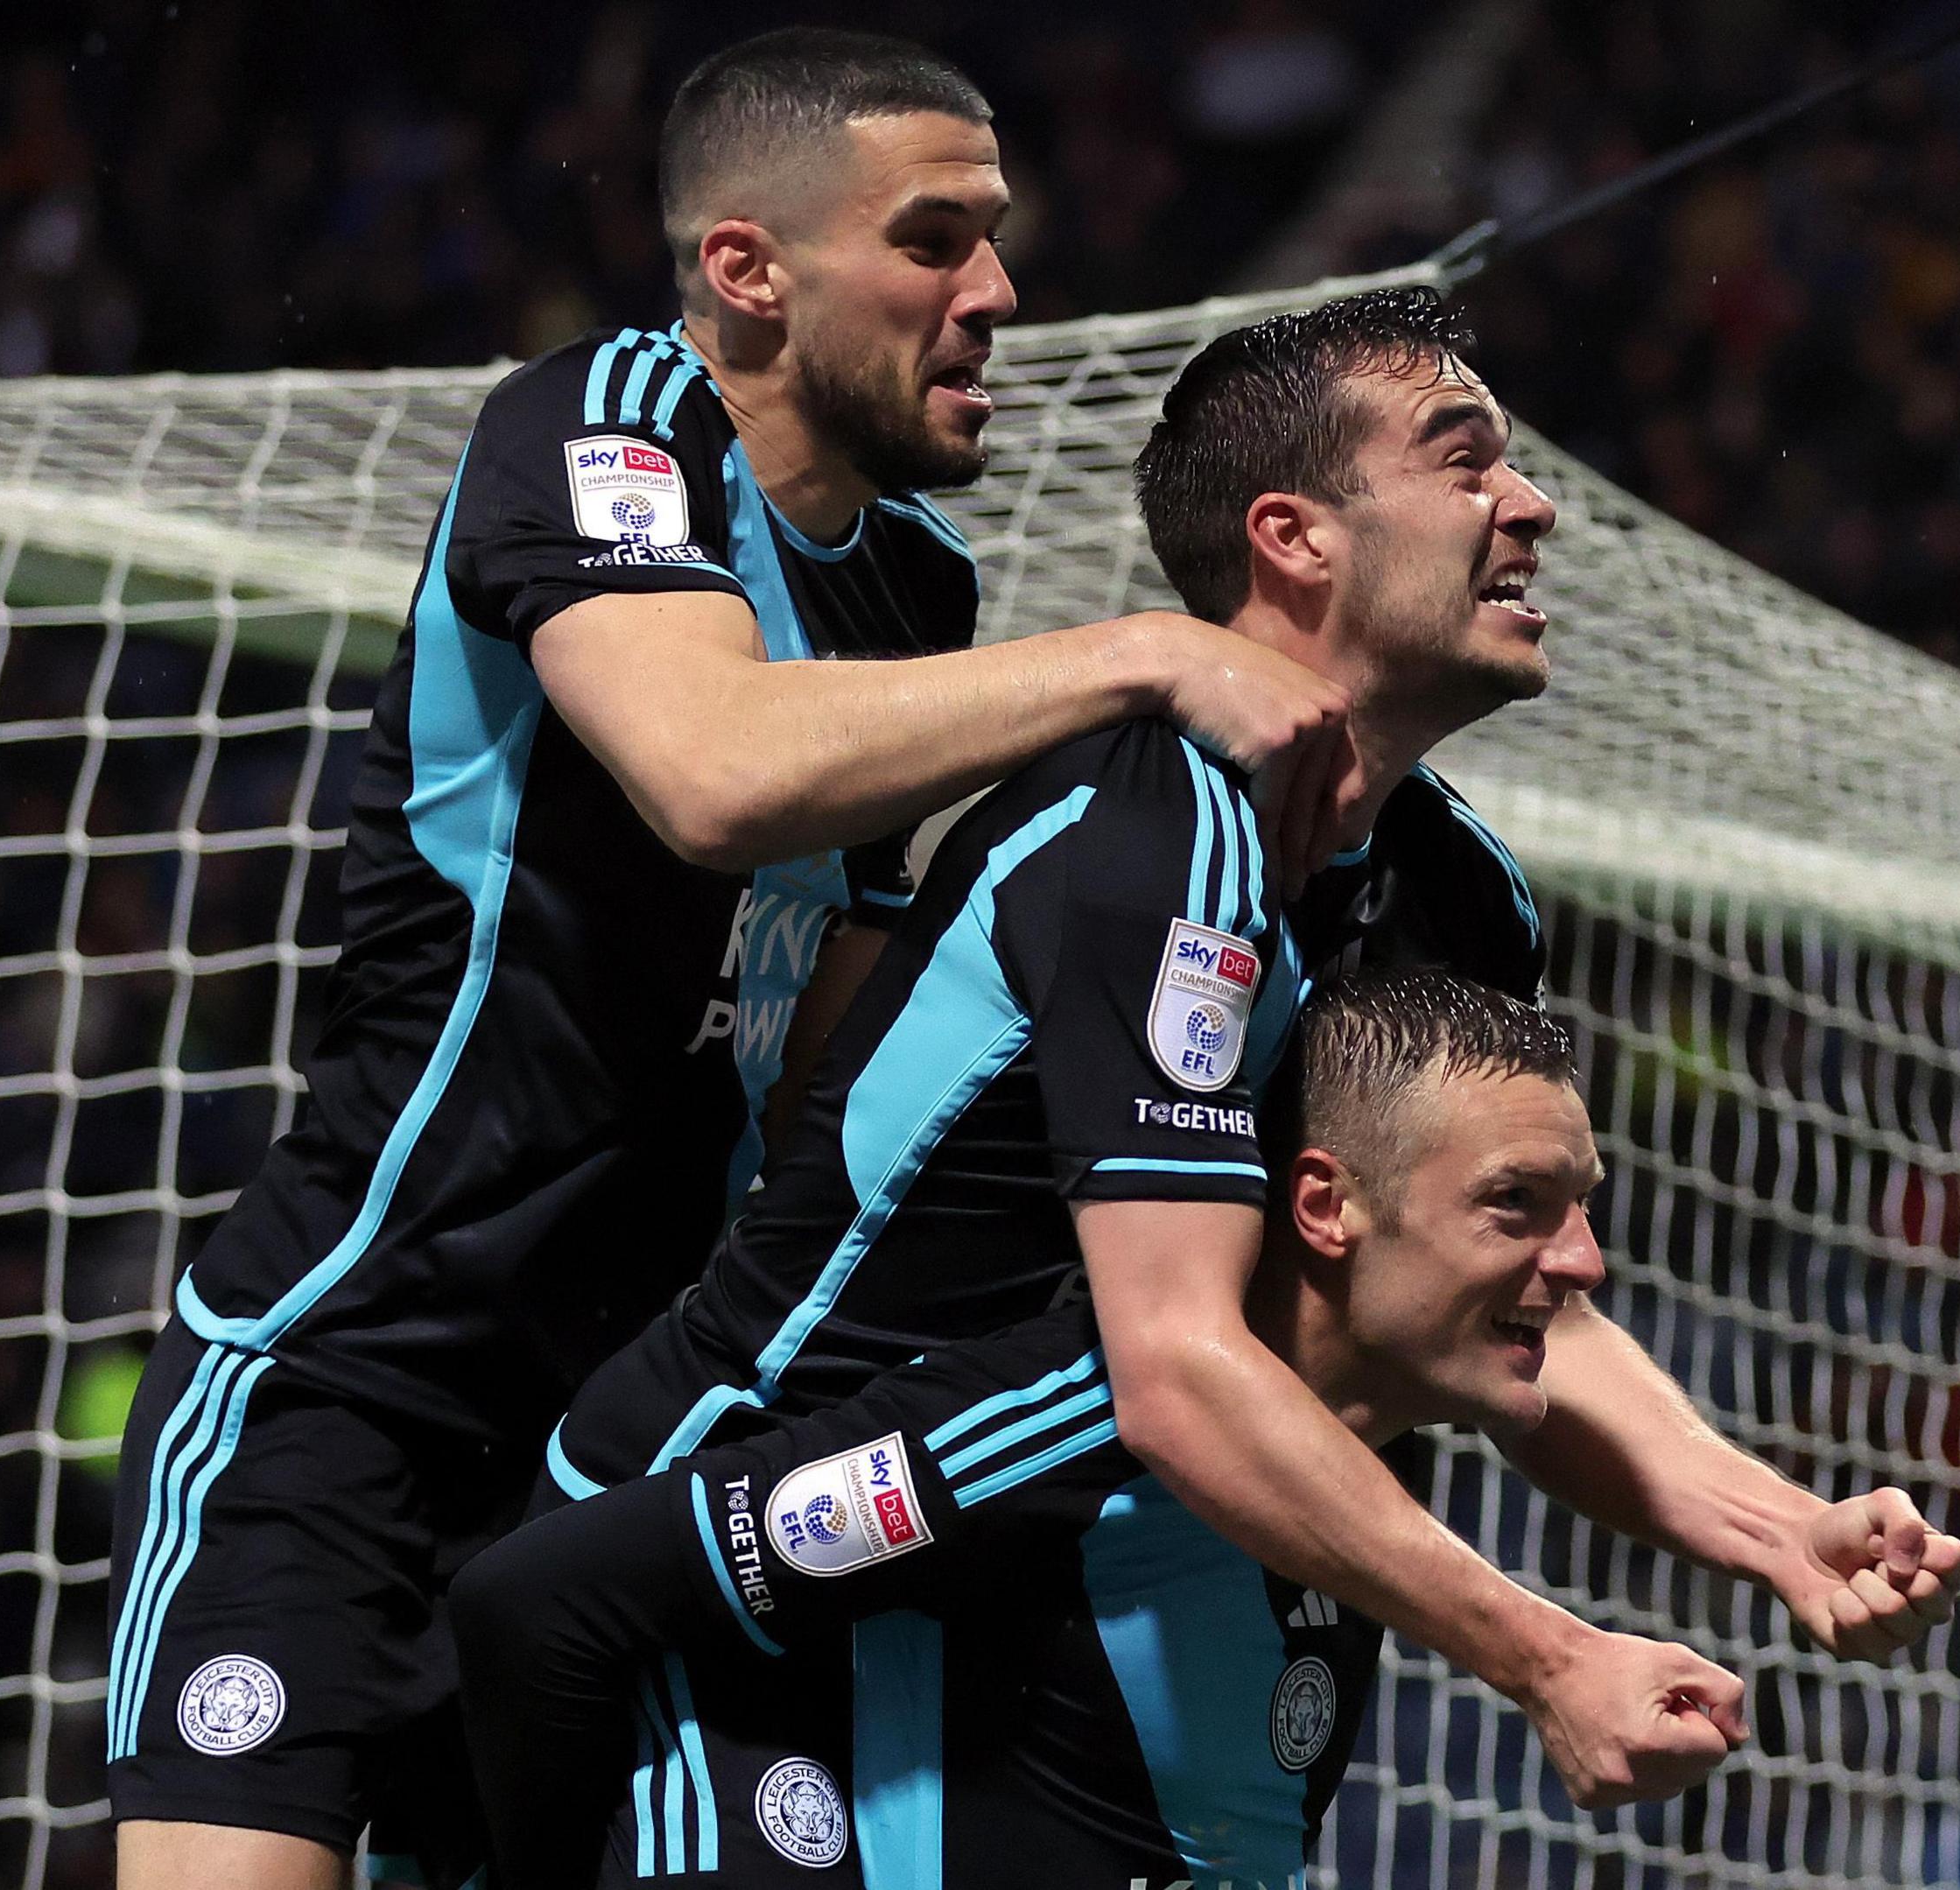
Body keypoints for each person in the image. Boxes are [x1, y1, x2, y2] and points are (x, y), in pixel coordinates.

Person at [460, 285, 1960, 1884]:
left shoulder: (1459, 894)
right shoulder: (1154, 834)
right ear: (1292, 538)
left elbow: (1509, 1292)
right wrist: (1543, 1658)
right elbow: (1171, 1364)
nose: (1530, 507)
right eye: (1464, 463)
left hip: (1027, 1532)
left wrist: (1770, 1529)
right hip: (757, 1529)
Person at [102, 31, 1360, 1890]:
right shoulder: (602, 420)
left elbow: (842, 1023)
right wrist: (1138, 654)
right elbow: (709, 776)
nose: (997, 294)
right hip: (357, 1379)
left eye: (996, 238)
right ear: (747, 271)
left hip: (635, 1438)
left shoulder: (913, 584)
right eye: (935, 241)